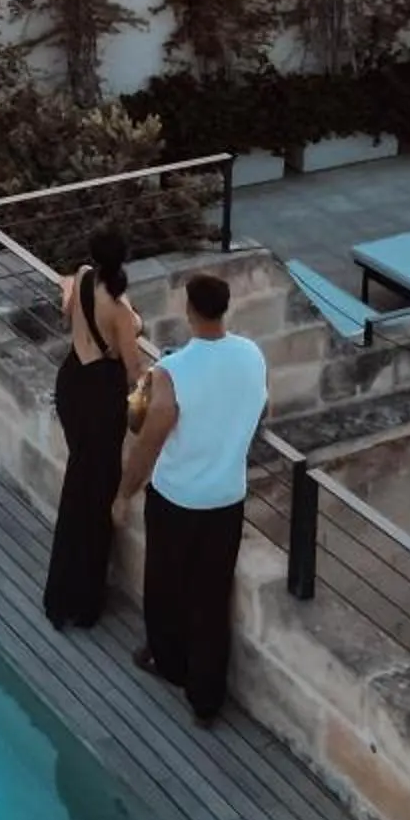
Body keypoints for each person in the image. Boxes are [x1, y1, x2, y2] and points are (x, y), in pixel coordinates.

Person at [115, 268, 266, 726]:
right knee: (211, 595)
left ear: (189, 311)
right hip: (226, 497)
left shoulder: (172, 371)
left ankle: (169, 661)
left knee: (164, 583)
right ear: (225, 309)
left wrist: (125, 493)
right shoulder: (251, 354)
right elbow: (262, 407)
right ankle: (207, 698)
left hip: (178, 497)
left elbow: (149, 437)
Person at [44, 227, 142, 629]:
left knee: (78, 482)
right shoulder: (118, 308)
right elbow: (132, 368)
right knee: (97, 494)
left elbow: (68, 309)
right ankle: (84, 600)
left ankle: (62, 593)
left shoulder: (83, 277)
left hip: (72, 383)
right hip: (101, 394)